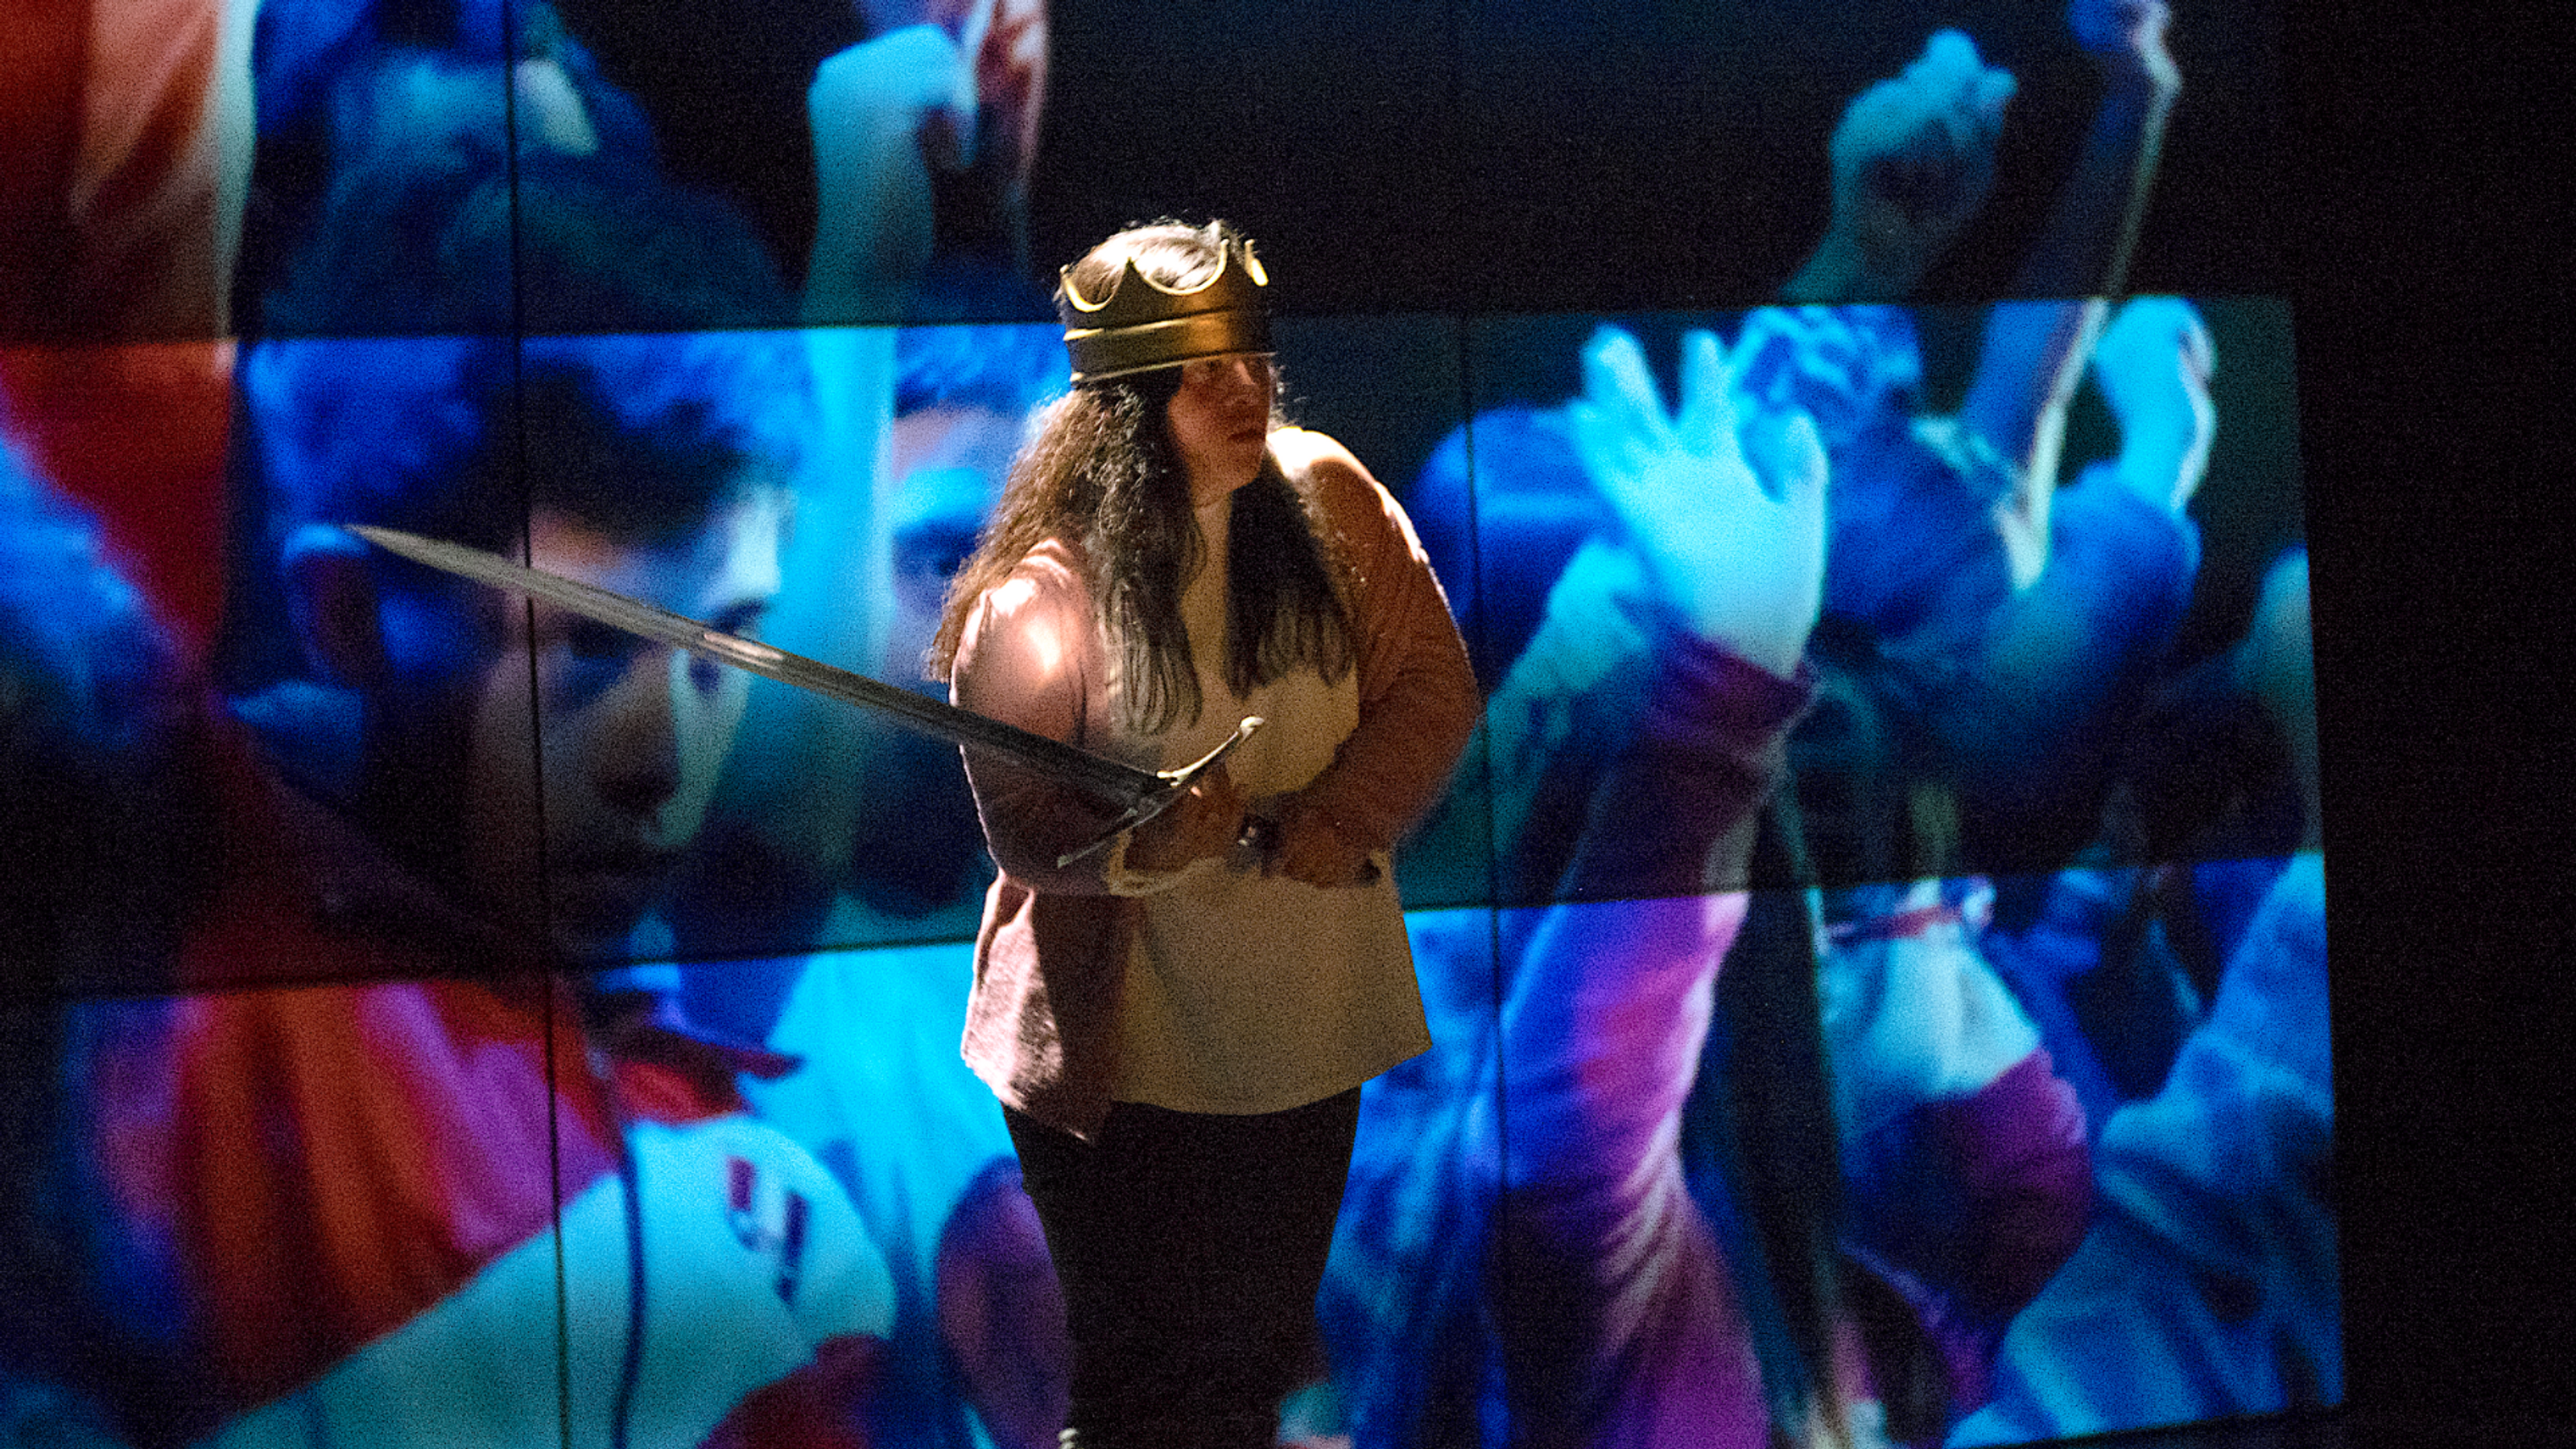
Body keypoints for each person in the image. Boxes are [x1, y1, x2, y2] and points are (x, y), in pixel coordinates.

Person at [927, 220, 1478, 1449]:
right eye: (1200, 371)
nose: (1245, 389)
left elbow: (1432, 692)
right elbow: (1022, 826)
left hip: (1301, 1007)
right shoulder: (1044, 594)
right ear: (1126, 406)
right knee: (1146, 1390)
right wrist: (1145, 843)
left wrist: (1340, 814)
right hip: (1128, 1042)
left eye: (1250, 358)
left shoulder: (1328, 497)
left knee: (1249, 1377)